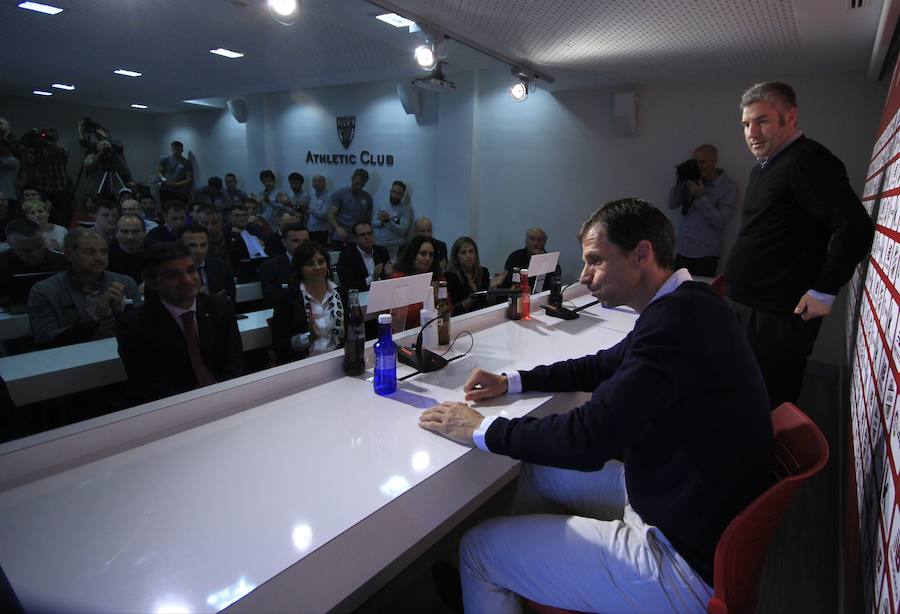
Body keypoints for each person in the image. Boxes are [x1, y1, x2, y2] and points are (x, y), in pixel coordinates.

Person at [419, 198, 774, 613]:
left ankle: (494, 577)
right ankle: (520, 584)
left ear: (641, 254)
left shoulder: (675, 323)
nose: (584, 276)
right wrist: (513, 381)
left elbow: (589, 438)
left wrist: (481, 429)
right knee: (539, 471)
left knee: (477, 549)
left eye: (595, 261)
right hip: (678, 499)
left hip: (679, 563)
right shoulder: (689, 303)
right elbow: (601, 365)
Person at [725, 81, 875, 408]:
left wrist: (825, 289)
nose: (752, 132)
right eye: (746, 124)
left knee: (769, 400)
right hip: (746, 307)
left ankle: (764, 459)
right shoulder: (763, 169)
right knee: (739, 392)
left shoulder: (806, 161)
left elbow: (855, 225)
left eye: (762, 121)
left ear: (789, 116)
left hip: (776, 317)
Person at [116, 242, 244, 405]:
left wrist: (230, 398)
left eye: (191, 270)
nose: (187, 280)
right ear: (152, 282)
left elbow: (234, 363)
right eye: (173, 275)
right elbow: (152, 384)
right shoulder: (134, 324)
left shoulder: (219, 307)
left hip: (224, 397)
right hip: (172, 407)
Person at [28, 228, 141, 347]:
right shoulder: (45, 291)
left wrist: (120, 313)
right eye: (90, 252)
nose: (99, 258)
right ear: (69, 255)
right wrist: (94, 318)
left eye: (103, 251)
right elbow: (44, 340)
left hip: (117, 355)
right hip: (70, 359)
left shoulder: (125, 283)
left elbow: (141, 332)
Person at [271, 241, 348, 363]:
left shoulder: (342, 294)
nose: (317, 267)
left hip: (340, 360)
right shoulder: (288, 298)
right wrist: (307, 338)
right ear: (299, 269)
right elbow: (279, 344)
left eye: (321, 262)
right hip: (304, 365)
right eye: (310, 264)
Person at [666, 144, 737, 276]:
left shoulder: (728, 187)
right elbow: (672, 204)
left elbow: (720, 222)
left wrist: (701, 197)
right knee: (678, 293)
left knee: (699, 294)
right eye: (696, 162)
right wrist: (681, 182)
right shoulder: (691, 180)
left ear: (715, 160)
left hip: (706, 255)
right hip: (683, 250)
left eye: (703, 162)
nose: (698, 166)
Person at [0, 219, 67, 309]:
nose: (34, 254)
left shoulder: (63, 262)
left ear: (43, 239)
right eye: (25, 250)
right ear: (9, 244)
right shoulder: (2, 263)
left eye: (39, 247)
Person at [391, 234, 444, 328]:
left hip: (436, 328)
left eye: (431, 255)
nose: (427, 258)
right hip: (408, 332)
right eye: (423, 254)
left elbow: (448, 307)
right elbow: (400, 319)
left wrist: (439, 300)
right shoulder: (399, 278)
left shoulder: (437, 276)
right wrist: (429, 299)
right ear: (413, 255)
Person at [445, 236, 507, 314]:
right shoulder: (451, 276)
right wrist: (474, 295)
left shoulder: (483, 272)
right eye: (463, 252)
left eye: (471, 251)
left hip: (482, 315)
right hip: (461, 318)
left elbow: (488, 303)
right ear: (456, 257)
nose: (468, 256)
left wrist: (492, 289)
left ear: (476, 254)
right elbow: (455, 310)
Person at [177, 224, 235, 301]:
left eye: (203, 245)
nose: (199, 251)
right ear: (179, 246)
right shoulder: (173, 272)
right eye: (192, 245)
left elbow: (231, 300)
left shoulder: (222, 267)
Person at [260, 222, 309, 306]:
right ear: (284, 242)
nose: (302, 245)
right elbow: (271, 300)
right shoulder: (271, 266)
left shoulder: (319, 263)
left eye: (305, 241)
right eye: (296, 241)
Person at [336, 221, 391, 292]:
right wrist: (373, 277)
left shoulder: (382, 251)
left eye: (369, 233)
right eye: (362, 235)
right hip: (360, 295)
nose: (367, 237)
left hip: (382, 292)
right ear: (355, 238)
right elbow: (348, 285)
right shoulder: (346, 256)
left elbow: (387, 277)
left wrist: (390, 274)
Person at [328, 169, 373, 249]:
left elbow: (367, 220)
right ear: (352, 179)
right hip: (340, 237)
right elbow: (331, 215)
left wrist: (367, 235)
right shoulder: (340, 193)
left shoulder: (367, 197)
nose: (360, 185)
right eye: (358, 182)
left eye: (363, 183)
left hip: (358, 238)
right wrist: (338, 228)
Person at [107, 214, 148, 284]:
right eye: (124, 232)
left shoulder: (156, 252)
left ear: (144, 233)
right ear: (116, 234)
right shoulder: (106, 256)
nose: (130, 237)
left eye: (135, 231)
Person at [373, 180, 412, 254]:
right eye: (394, 192)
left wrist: (387, 221)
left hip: (397, 245)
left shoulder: (405, 209)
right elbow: (373, 223)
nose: (395, 196)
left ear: (403, 195)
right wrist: (382, 223)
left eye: (399, 194)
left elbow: (402, 231)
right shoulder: (382, 204)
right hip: (379, 244)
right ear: (390, 191)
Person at [307, 174, 331, 245]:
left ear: (325, 184)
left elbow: (325, 215)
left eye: (319, 181)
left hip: (322, 232)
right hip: (310, 230)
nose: (316, 183)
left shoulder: (329, 196)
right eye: (314, 181)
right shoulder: (312, 196)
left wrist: (311, 210)